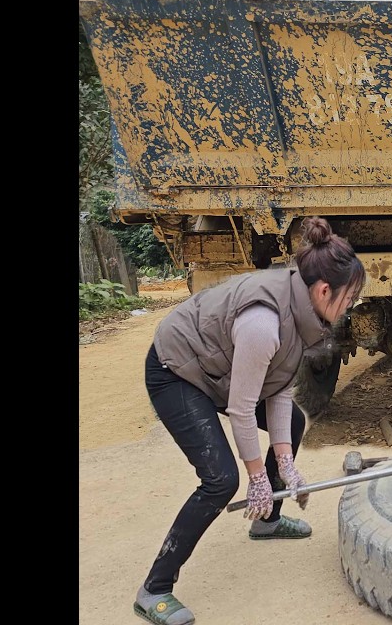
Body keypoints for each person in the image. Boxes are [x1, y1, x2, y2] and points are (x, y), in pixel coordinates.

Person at [134, 216, 366, 625]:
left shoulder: (302, 306)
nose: (351, 305)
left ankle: (267, 523)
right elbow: (242, 408)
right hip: (180, 371)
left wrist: (286, 463)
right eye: (350, 297)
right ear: (325, 289)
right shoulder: (264, 322)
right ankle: (154, 588)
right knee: (222, 478)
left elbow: (275, 389)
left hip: (221, 368)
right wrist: (258, 476)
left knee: (292, 423)